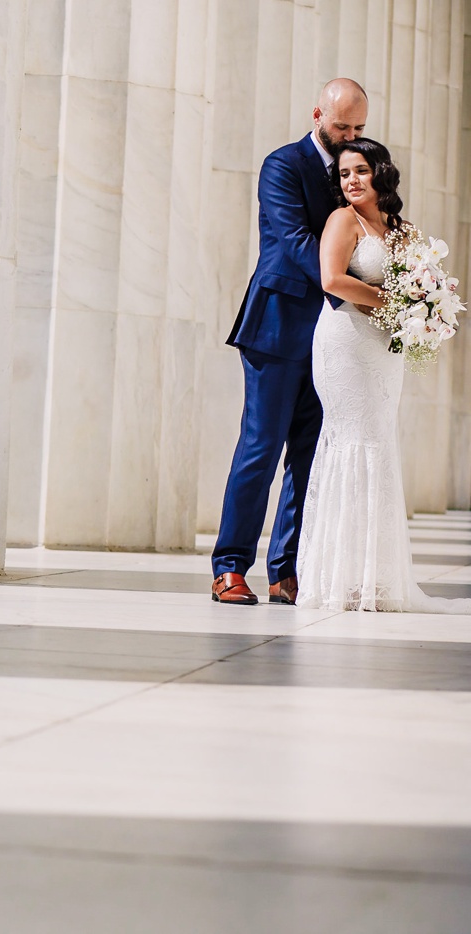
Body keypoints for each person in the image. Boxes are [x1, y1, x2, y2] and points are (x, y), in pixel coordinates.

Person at [296, 138, 471, 613]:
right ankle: (336, 578)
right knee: (351, 441)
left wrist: (426, 309)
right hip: (345, 342)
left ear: (380, 174)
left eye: (360, 171)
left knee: (380, 444)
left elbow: (422, 283)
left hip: (386, 349)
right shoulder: (341, 221)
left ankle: (373, 577)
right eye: (345, 173)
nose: (351, 180)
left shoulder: (404, 230)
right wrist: (397, 303)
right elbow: (332, 280)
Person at [212, 78, 368, 606]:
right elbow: (293, 239)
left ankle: (287, 571)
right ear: (318, 113)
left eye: (358, 128)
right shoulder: (282, 164)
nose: (349, 135)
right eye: (342, 125)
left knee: (309, 456)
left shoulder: (357, 172)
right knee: (260, 447)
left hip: (333, 337)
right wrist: (352, 283)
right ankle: (230, 567)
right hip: (277, 327)